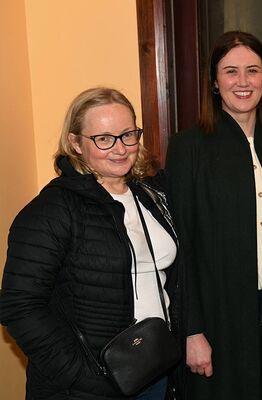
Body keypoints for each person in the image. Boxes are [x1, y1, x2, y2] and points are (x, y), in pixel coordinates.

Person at [0, 87, 183, 399]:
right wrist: (84, 377)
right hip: (89, 387)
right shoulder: (53, 210)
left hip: (153, 368)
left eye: (128, 134)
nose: (120, 148)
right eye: (103, 138)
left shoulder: (149, 194)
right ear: (75, 143)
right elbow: (19, 306)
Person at [165, 31, 262, 400]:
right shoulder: (188, 148)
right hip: (218, 314)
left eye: (252, 71)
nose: (242, 82)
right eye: (230, 71)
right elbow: (182, 247)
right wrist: (192, 331)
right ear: (214, 82)